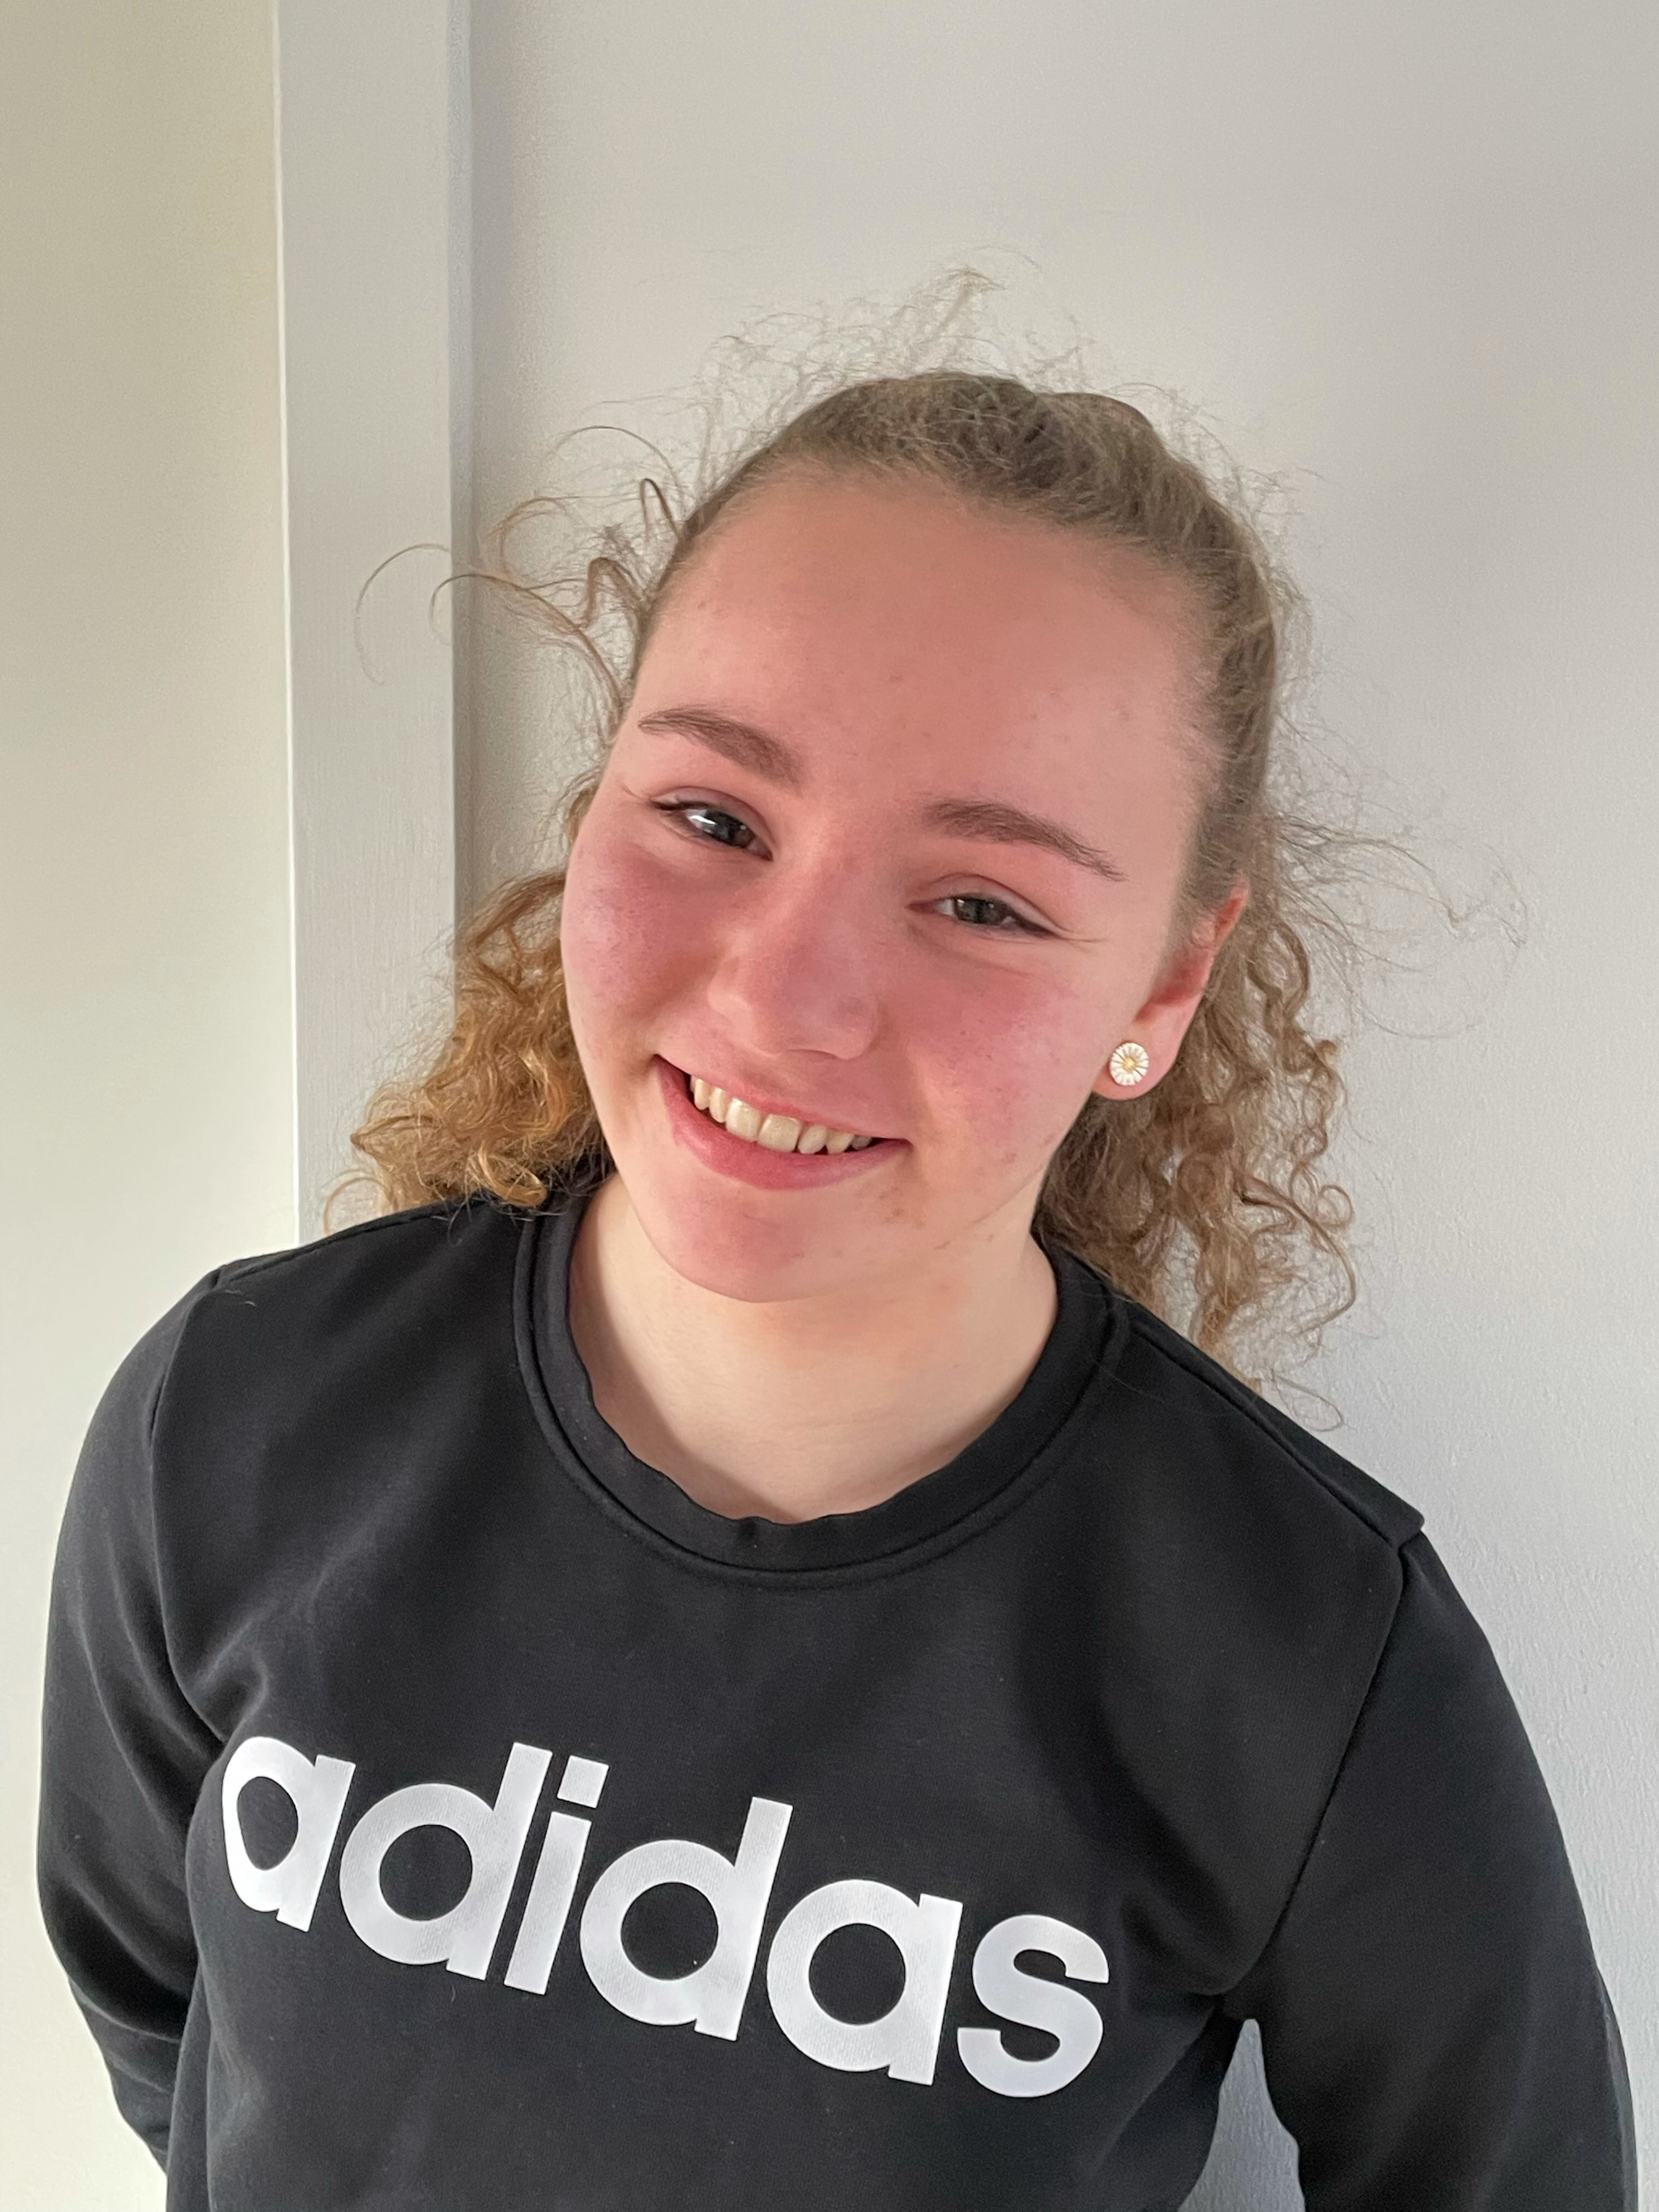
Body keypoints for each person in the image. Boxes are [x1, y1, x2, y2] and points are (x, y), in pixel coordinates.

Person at [38, 368, 1635, 2210]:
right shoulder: (240, 1408)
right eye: (714, 817)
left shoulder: (1305, 1645)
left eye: (982, 904)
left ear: (1164, 985)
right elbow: (162, 2017)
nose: (784, 1001)